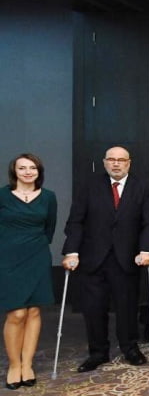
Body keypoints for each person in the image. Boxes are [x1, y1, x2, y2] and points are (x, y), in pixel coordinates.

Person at [61, 146, 149, 372]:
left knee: (127, 307)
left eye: (121, 160)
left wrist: (146, 249)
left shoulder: (143, 186)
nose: (116, 164)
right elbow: (76, 220)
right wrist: (71, 251)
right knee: (94, 308)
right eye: (111, 160)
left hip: (127, 258)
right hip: (93, 258)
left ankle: (130, 348)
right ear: (104, 162)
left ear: (129, 163)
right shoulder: (90, 185)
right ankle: (98, 352)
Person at [1, 154, 56, 388]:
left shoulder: (49, 197)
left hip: (37, 256)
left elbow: (49, 229)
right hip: (8, 258)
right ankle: (14, 365)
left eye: (32, 167)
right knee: (16, 314)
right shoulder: (2, 195)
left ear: (38, 171)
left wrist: (36, 246)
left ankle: (27, 364)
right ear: (14, 171)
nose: (27, 172)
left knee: (33, 311)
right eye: (22, 168)